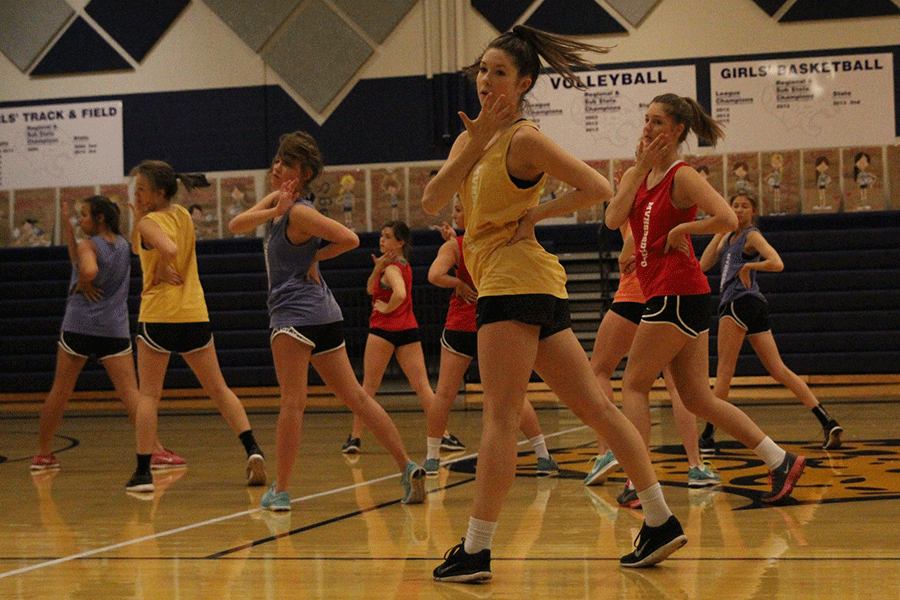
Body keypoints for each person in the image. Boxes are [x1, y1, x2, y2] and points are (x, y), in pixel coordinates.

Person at [423, 26, 687, 582]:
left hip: (514, 283)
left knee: (499, 418)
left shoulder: (524, 139)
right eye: (483, 71)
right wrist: (473, 142)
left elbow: (595, 186)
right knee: (598, 408)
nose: (487, 81)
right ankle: (660, 519)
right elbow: (430, 200)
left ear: (521, 85)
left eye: (500, 73)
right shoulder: (472, 138)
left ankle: (476, 548)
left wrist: (535, 216)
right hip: (527, 285)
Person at [604, 93, 806, 511]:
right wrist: (639, 170)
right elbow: (611, 219)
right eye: (646, 120)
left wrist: (684, 231)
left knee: (634, 384)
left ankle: (641, 484)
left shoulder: (682, 175)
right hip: (678, 296)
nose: (647, 128)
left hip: (677, 292)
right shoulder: (636, 175)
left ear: (677, 130)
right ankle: (780, 459)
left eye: (657, 122)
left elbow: (727, 219)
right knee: (698, 398)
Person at [228, 132, 426, 510]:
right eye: (276, 160)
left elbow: (349, 238)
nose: (276, 167)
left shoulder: (300, 212)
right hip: (324, 314)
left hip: (292, 316)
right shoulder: (279, 204)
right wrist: (274, 211)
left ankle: (281, 491)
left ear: (302, 172)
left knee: (292, 403)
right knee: (355, 396)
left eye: (284, 163)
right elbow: (237, 224)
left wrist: (314, 259)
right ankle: (406, 466)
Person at [125, 160, 267, 493]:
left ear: (158, 192)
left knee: (148, 396)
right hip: (194, 312)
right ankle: (253, 449)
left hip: (159, 315)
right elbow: (144, 246)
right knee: (219, 389)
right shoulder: (183, 216)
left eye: (142, 189)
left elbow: (167, 248)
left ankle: (143, 473)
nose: (138, 193)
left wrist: (161, 264)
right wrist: (138, 224)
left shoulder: (150, 222)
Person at [30, 196, 184, 471]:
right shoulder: (124, 245)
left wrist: (83, 281)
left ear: (99, 218)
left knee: (60, 390)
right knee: (132, 394)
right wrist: (68, 229)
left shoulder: (88, 245)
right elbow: (78, 258)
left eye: (85, 215)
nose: (81, 220)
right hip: (113, 328)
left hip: (79, 325)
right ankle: (157, 451)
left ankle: (43, 454)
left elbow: (86, 266)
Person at [697, 193, 842, 452]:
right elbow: (703, 264)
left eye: (744, 207)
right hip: (752, 306)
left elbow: (777, 262)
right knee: (778, 370)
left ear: (753, 212)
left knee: (723, 373)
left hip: (738, 304)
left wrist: (751, 268)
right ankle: (827, 420)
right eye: (735, 206)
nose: (739, 210)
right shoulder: (728, 238)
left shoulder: (751, 236)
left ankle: (707, 435)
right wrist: (720, 230)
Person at [426, 196, 558, 478]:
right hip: (494, 323)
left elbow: (434, 275)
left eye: (458, 210)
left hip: (463, 324)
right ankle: (542, 454)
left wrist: (457, 283)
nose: (454, 215)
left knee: (445, 393)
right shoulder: (499, 242)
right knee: (510, 395)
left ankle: (432, 457)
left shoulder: (457, 247)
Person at [585, 221, 719, 494]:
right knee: (678, 386)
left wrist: (625, 253)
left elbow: (634, 228)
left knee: (600, 370)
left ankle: (607, 454)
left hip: (637, 293)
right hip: (667, 292)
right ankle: (695, 465)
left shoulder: (640, 193)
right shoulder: (673, 197)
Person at [342, 221, 462, 458]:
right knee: (423, 388)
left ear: (400, 242)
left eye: (387, 237)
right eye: (381, 236)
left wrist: (386, 309)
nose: (382, 240)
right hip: (408, 330)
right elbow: (369, 289)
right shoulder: (397, 266)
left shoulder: (392, 269)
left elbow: (399, 294)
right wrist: (377, 269)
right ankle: (444, 435)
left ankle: (355, 438)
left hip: (383, 331)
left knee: (368, 389)